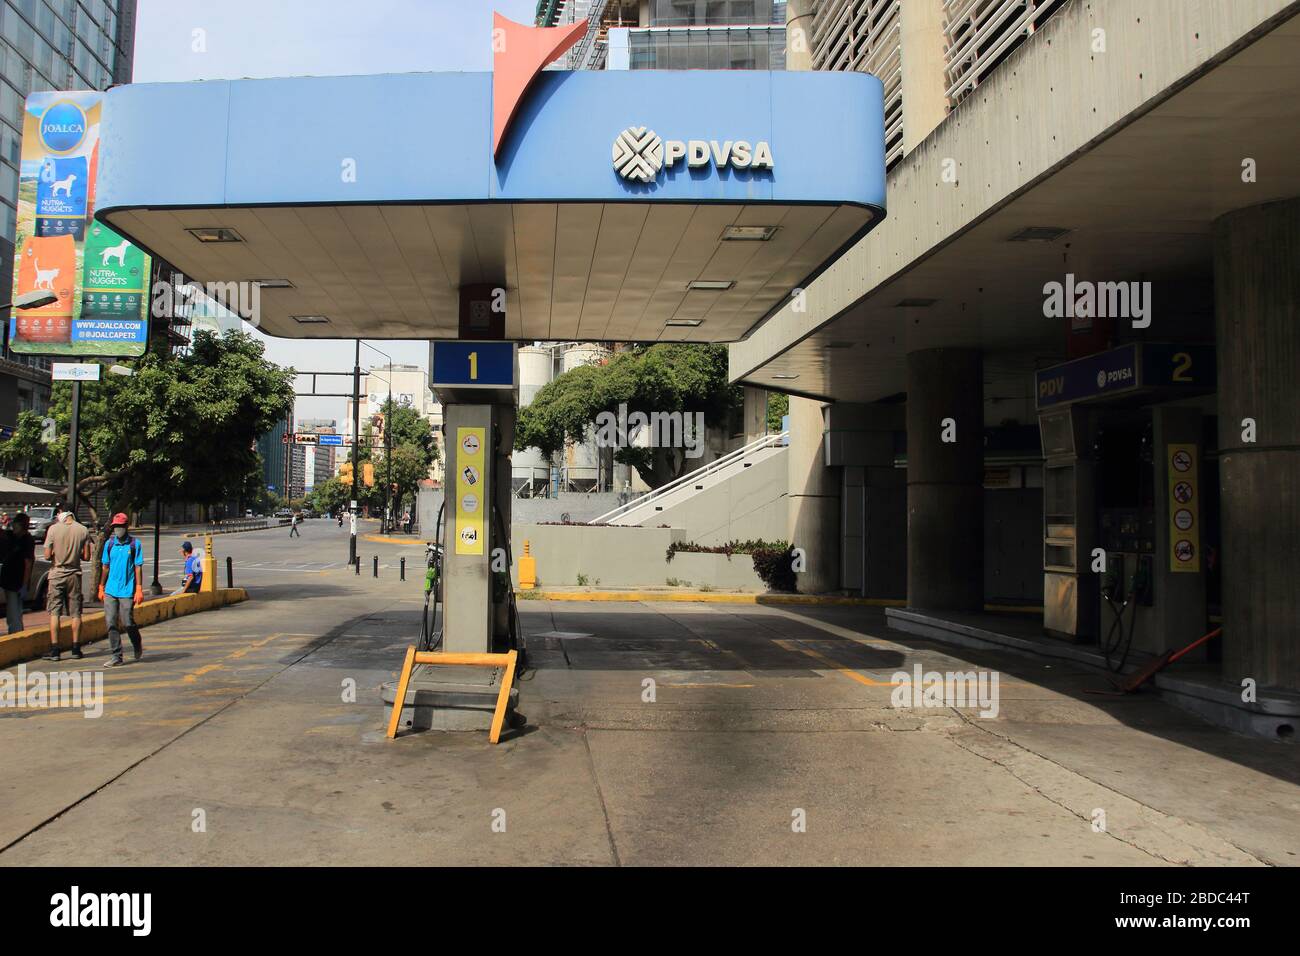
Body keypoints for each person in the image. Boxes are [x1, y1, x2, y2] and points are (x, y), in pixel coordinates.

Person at [43, 509, 92, 661]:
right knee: (76, 612)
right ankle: (76, 648)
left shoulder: (53, 529)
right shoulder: (83, 530)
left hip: (57, 574)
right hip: (74, 574)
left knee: (54, 612)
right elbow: (86, 556)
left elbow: (46, 555)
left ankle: (55, 649)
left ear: (61, 512)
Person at [97, 512, 144, 667]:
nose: (117, 530)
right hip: (111, 589)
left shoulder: (134, 544)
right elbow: (105, 567)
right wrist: (101, 586)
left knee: (128, 621)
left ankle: (136, 642)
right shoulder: (109, 544)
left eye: (120, 527)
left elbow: (138, 567)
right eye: (115, 527)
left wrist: (138, 588)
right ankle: (116, 655)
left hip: (127, 590)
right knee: (111, 622)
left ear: (126, 527)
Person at [1, 512, 35, 635]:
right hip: (9, 580)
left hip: (17, 581)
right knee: (13, 610)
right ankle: (15, 631)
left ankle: (16, 633)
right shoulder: (10, 537)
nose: (13, 527)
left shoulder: (27, 540)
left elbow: (28, 563)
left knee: (14, 612)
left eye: (16, 525)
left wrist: (24, 585)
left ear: (21, 526)